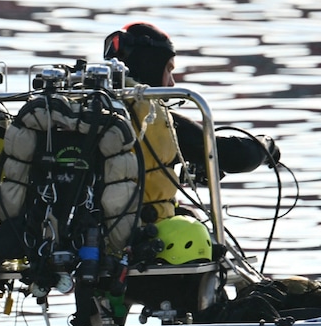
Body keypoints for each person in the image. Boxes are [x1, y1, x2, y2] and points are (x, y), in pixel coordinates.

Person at [103, 21, 281, 222]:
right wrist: (266, 146)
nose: (172, 83)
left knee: (185, 213)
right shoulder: (149, 117)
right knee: (194, 233)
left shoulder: (91, 111)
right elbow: (236, 155)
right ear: (150, 66)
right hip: (133, 235)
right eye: (168, 69)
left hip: (87, 234)